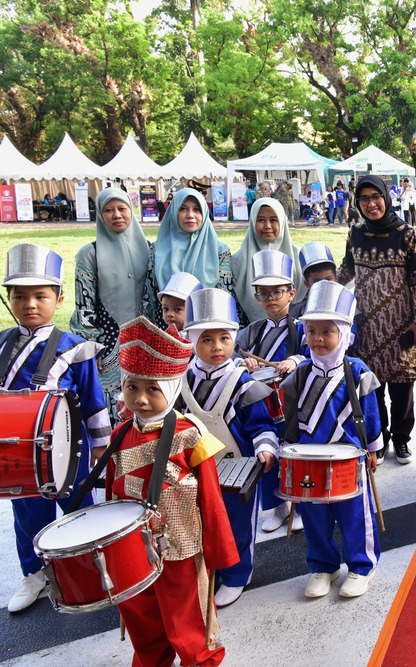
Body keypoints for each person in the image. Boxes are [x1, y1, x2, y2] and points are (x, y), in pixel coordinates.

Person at [108, 316, 237, 666]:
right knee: (143, 619)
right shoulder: (119, 434)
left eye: (153, 389)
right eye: (132, 387)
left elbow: (210, 497)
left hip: (180, 548)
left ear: (172, 386)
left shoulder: (190, 434)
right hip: (132, 548)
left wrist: (219, 552)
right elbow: (111, 494)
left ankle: (200, 660)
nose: (141, 399)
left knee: (188, 623)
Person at [2, 244, 109, 613]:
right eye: (20, 296)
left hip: (68, 451)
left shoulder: (74, 348)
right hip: (18, 455)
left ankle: (88, 569)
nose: (30, 304)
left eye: (40, 296)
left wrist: (100, 446)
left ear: (58, 298)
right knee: (27, 514)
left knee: (78, 510)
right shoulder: (2, 344)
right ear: (9, 298)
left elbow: (94, 400)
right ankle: (34, 573)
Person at [281, 281, 383, 599]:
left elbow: (371, 414)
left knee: (354, 514)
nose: (318, 339)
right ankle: (323, 565)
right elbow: (292, 419)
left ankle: (361, 565)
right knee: (314, 516)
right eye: (311, 331)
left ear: (343, 332)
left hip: (348, 459)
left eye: (327, 331)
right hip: (310, 460)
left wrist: (373, 450)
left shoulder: (357, 371)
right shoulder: (299, 374)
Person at [180, 289, 280, 609]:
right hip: (195, 466)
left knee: (236, 523)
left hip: (236, 466)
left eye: (224, 338)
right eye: (206, 339)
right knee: (200, 521)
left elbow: (261, 423)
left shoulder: (243, 383)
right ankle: (209, 567)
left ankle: (238, 574)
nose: (217, 347)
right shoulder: (181, 382)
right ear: (193, 340)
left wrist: (265, 447)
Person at [338, 175, 416, 465]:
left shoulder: (405, 233)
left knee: (403, 389)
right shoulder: (355, 233)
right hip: (367, 325)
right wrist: (324, 289)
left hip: (401, 322)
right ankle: (380, 438)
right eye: (364, 198)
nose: (371, 203)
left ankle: (402, 440)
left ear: (385, 198)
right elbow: (346, 271)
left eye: (375, 196)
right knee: (372, 386)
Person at [71, 188, 161, 423]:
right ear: (100, 216)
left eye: (122, 209)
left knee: (147, 400)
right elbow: (84, 303)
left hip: (146, 338)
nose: (116, 215)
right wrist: (91, 346)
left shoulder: (150, 250)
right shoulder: (90, 253)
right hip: (109, 340)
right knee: (112, 403)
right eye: (108, 210)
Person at [236, 250, 309, 533]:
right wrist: (245, 362)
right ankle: (278, 507)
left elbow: (313, 355)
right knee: (267, 454)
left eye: (276, 292)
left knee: (294, 453)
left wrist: (296, 359)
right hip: (261, 403)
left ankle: (300, 505)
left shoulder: (303, 329)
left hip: (293, 402)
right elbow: (234, 358)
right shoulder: (251, 332)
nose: (270, 299)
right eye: (263, 294)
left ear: (291, 293)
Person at [155, 188, 244, 324]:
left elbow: (223, 296)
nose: (190, 215)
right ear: (173, 212)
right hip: (165, 328)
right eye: (183, 209)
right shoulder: (156, 250)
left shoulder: (219, 250)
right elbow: (150, 297)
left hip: (208, 327)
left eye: (197, 210)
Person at [232, 197, 303, 323]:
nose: (267, 226)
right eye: (260, 220)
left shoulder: (298, 257)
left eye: (273, 220)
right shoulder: (239, 260)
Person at [291, 242, 337, 319]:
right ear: (307, 284)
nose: (323, 285)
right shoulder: (296, 313)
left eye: (328, 279)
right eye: (317, 281)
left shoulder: (348, 307)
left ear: (336, 278)